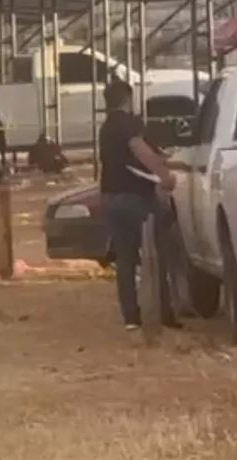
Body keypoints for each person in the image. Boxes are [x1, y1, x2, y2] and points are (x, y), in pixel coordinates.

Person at [99, 80, 181, 331]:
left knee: (125, 259)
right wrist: (165, 175)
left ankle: (131, 317)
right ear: (127, 99)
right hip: (137, 198)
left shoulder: (105, 128)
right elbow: (140, 150)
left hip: (110, 197)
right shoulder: (131, 123)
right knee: (157, 253)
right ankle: (163, 312)